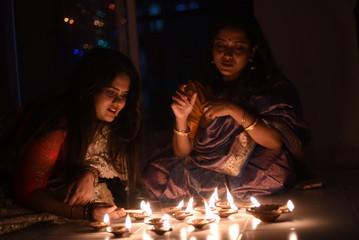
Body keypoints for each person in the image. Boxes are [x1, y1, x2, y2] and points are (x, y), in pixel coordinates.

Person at [142, 15, 310, 201]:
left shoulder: (269, 87)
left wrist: (234, 110)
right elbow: (182, 152)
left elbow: (275, 142)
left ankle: (218, 192)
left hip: (251, 166)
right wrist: (181, 118)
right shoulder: (200, 89)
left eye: (238, 48)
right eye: (221, 46)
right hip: (204, 166)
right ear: (212, 49)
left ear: (252, 51)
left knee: (272, 174)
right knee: (155, 174)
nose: (228, 55)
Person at [0, 48, 143, 223]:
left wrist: (89, 171)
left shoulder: (98, 123)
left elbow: (97, 158)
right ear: (89, 88)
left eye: (124, 95)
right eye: (110, 92)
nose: (118, 102)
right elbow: (27, 192)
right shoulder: (58, 123)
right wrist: (85, 212)